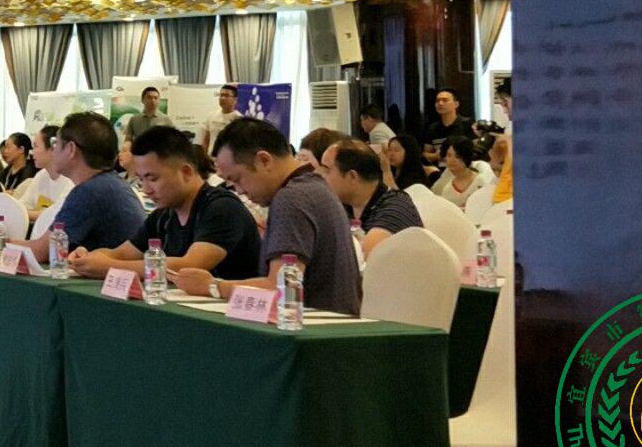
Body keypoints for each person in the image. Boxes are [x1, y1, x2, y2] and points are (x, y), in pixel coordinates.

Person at [173, 118, 362, 315]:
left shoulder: (292, 198)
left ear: (264, 160)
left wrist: (213, 286)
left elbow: (279, 289)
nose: (239, 190)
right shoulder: (314, 187)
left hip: (306, 327)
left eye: (237, 179)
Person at [67, 127, 261, 280]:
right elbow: (120, 254)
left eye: (152, 178)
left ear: (186, 172)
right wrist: (87, 258)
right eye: (141, 179)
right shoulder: (163, 216)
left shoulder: (222, 208)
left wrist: (108, 267)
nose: (146, 189)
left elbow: (189, 266)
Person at [0, 112, 142, 257]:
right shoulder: (108, 183)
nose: (53, 151)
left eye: (56, 144)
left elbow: (41, 251)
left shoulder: (89, 191)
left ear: (71, 149)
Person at [317, 139, 422, 259]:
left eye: (327, 170)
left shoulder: (396, 206)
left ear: (352, 176)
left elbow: (366, 258)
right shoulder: (343, 205)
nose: (321, 177)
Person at [24, 124, 74, 219]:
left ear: (53, 148)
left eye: (35, 146)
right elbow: (23, 205)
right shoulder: (41, 175)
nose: (31, 152)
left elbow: (57, 215)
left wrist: (26, 214)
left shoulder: (71, 180)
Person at [432, 135, 492, 209]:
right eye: (449, 155)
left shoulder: (481, 182)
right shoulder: (446, 187)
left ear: (466, 157)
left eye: (457, 156)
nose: (452, 160)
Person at [421, 88, 473, 162]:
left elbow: (476, 153)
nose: (440, 103)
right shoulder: (433, 128)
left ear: (456, 104)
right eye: (437, 101)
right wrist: (437, 156)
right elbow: (425, 154)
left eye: (445, 100)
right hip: (440, 169)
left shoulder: (468, 124)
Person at [199, 84, 243, 154]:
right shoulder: (211, 115)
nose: (222, 98)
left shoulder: (239, 119)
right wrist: (203, 157)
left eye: (226, 95)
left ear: (235, 99)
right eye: (221, 95)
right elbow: (206, 140)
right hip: (210, 158)